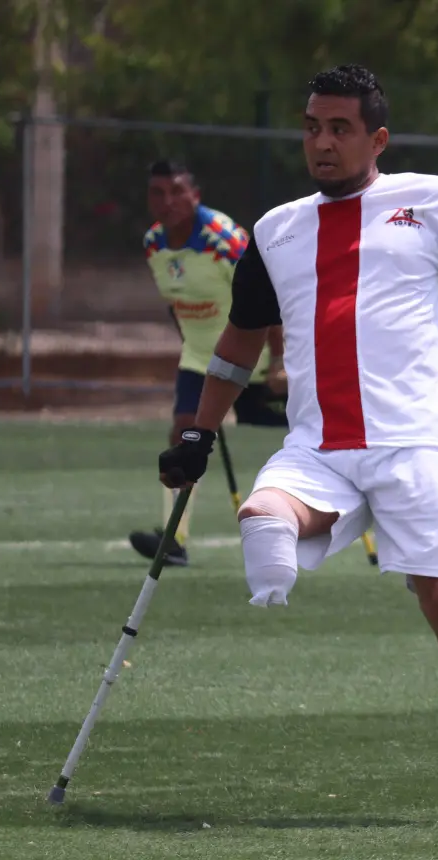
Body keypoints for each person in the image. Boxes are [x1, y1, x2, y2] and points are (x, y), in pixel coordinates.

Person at [156, 64, 438, 826]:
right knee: (261, 517)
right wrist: (199, 429)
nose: (321, 143)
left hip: (416, 441)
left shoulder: (433, 202)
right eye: (310, 127)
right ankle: (288, 564)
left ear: (376, 138)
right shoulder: (276, 229)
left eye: (339, 128)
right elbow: (236, 344)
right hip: (320, 443)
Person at [131, 160, 287, 566]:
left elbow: (271, 297)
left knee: (311, 429)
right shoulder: (153, 244)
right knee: (184, 434)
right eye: (157, 193)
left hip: (257, 359)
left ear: (195, 195)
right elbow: (176, 305)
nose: (168, 202)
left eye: (176, 191)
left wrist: (281, 362)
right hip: (202, 360)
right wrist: (191, 344)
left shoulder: (224, 240)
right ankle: (174, 540)